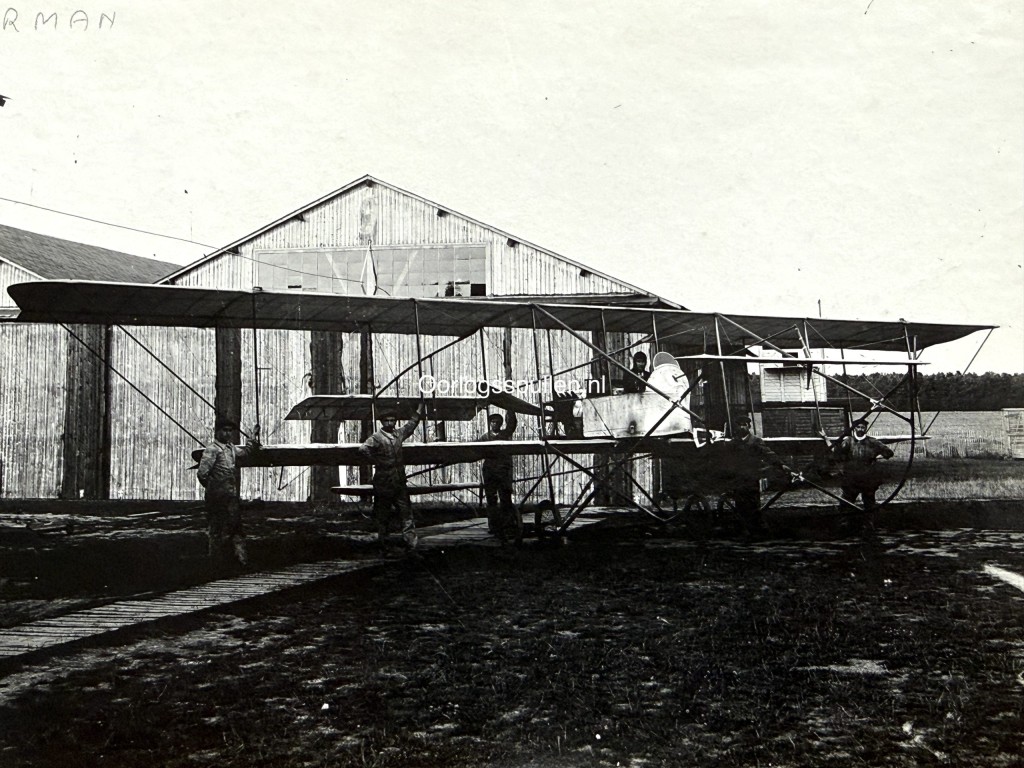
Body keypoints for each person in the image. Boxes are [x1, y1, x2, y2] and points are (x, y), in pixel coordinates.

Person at [359, 403, 426, 551]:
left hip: (399, 481)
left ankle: (411, 544)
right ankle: (384, 544)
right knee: (383, 513)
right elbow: (363, 448)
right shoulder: (376, 437)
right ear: (382, 422)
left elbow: (410, 425)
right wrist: (377, 461)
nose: (390, 423)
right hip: (383, 481)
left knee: (406, 512)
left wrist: (419, 411)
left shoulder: (398, 434)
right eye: (387, 421)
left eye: (392, 420)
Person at [197, 416, 261, 569]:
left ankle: (240, 561)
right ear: (217, 432)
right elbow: (202, 474)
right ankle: (215, 562)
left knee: (235, 526)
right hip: (217, 498)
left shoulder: (231, 448)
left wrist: (253, 437)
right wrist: (214, 488)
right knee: (216, 528)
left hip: (231, 497)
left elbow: (245, 453)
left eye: (230, 431)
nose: (227, 434)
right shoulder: (212, 450)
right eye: (224, 430)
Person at [723, 415, 788, 535]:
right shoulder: (733, 443)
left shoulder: (756, 441)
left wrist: (781, 464)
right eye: (739, 425)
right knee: (740, 504)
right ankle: (744, 529)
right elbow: (728, 460)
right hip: (738, 478)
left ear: (749, 426)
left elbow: (768, 454)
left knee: (753, 504)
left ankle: (759, 530)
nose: (741, 427)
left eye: (744, 425)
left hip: (751, 477)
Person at [827, 418, 895, 527]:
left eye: (863, 427)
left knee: (869, 503)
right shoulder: (848, 441)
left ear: (866, 428)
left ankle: (869, 524)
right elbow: (837, 453)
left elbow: (889, 452)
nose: (860, 429)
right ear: (854, 428)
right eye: (858, 427)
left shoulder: (872, 442)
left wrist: (876, 456)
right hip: (851, 478)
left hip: (867, 478)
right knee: (846, 502)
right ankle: (845, 524)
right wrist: (826, 439)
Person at [480, 409, 521, 544]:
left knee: (505, 498)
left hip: (503, 471)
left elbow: (512, 424)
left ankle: (507, 526)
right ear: (489, 423)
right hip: (490, 471)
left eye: (497, 422)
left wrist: (511, 409)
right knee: (491, 500)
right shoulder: (485, 437)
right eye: (492, 422)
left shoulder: (505, 434)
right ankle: (493, 527)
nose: (495, 424)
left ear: (501, 424)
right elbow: (475, 449)